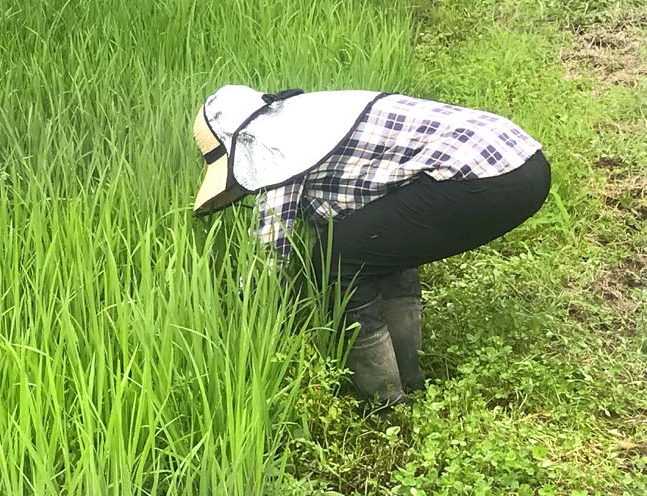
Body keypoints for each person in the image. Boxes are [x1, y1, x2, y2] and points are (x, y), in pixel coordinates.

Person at [191, 85, 551, 406]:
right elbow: (360, 210)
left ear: (240, 143)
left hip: (490, 175)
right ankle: (409, 376)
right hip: (522, 162)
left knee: (334, 261)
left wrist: (242, 326)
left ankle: (383, 400)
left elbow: (270, 257)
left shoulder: (275, 149)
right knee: (375, 247)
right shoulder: (308, 115)